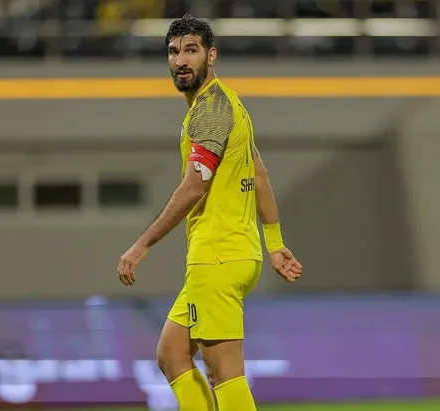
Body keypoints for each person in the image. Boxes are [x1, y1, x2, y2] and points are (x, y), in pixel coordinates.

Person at [117, 14, 302, 411]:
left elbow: (194, 186)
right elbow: (260, 175)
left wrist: (142, 243)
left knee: (224, 373)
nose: (181, 60)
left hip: (218, 256)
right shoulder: (229, 104)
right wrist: (274, 244)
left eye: (191, 50)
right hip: (234, 254)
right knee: (171, 355)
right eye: (173, 52)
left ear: (211, 55)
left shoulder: (211, 111)